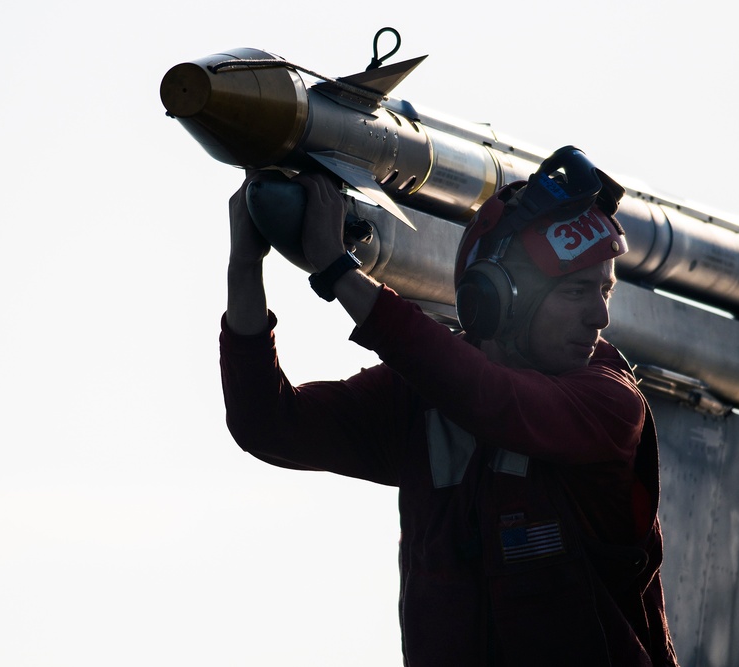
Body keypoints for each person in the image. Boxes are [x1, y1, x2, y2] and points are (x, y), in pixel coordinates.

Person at [219, 146, 680, 666]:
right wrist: (244, 265)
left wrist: (338, 272)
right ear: (502, 295)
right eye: (577, 292)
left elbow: (493, 401)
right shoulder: (420, 396)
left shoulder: (611, 405)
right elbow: (268, 424)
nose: (599, 317)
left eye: (605, 291)